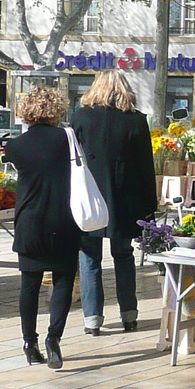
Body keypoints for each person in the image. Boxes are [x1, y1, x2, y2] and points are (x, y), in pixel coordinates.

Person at [71, 69, 158, 335]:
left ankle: (92, 320)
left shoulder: (81, 116)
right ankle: (129, 314)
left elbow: (72, 160)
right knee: (123, 256)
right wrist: (149, 206)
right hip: (125, 199)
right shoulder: (136, 121)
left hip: (90, 198)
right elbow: (146, 166)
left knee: (89, 258)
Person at [3, 86, 80, 369]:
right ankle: (54, 339)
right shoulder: (67, 139)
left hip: (29, 220)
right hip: (63, 217)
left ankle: (29, 341)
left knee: (30, 283)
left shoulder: (16, 145)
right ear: (57, 110)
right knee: (63, 279)